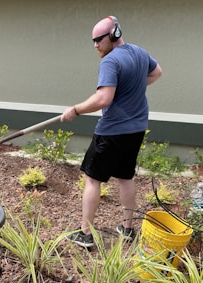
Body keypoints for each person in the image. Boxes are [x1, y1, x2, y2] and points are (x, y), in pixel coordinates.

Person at [60, 16, 162, 247]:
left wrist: (75, 110)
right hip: (136, 129)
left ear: (114, 35)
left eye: (99, 39)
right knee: (126, 178)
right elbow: (157, 73)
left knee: (92, 179)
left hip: (112, 131)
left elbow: (103, 99)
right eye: (93, 41)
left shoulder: (110, 61)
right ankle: (128, 229)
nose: (96, 45)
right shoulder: (139, 53)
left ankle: (85, 234)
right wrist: (131, 88)